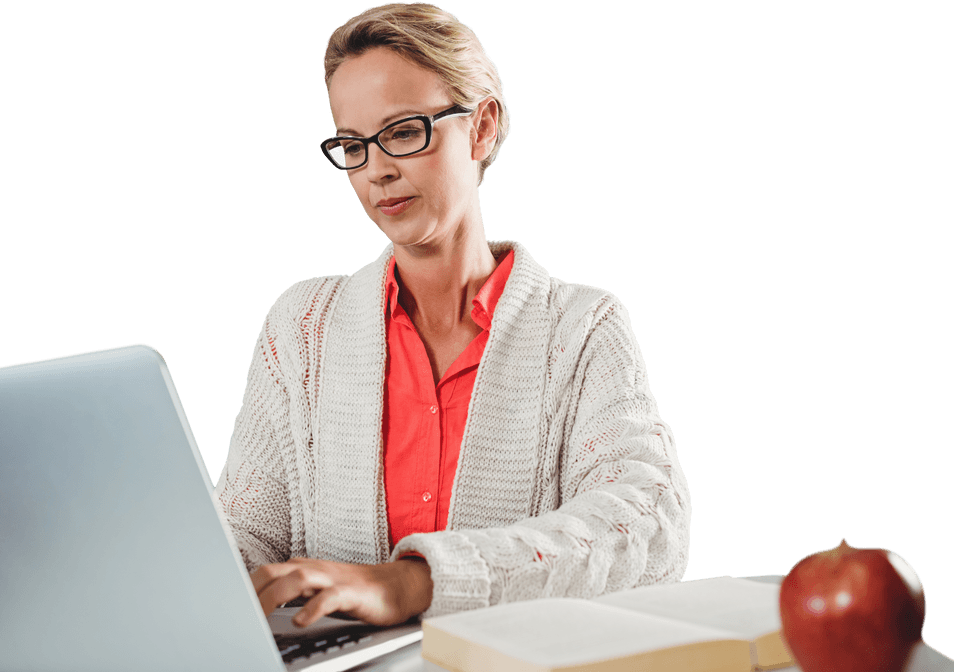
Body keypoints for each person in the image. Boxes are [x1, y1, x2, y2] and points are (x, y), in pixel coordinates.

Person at [214, 1, 691, 629]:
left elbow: (649, 524)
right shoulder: (302, 327)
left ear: (482, 127)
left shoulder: (583, 328)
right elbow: (244, 532)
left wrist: (416, 582)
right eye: (353, 145)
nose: (377, 170)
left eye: (403, 132)